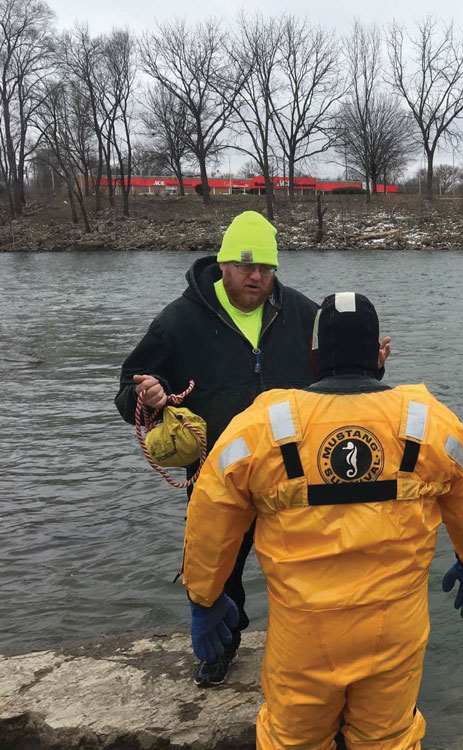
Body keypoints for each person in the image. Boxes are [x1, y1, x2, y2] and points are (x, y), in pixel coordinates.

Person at [182, 292, 463, 750]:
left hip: (302, 634)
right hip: (394, 630)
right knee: (388, 738)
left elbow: (211, 510)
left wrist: (204, 596)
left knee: (293, 741)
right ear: (377, 355)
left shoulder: (263, 425)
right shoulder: (429, 421)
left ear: (314, 357)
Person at [114, 210, 390, 687]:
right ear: (223, 264)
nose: (256, 276)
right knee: (216, 568)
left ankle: (325, 651)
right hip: (218, 475)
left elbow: (337, 381)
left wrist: (369, 369)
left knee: (313, 570)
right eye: (245, 266)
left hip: (296, 477)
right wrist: (148, 396)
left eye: (265, 267)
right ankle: (222, 648)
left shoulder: (304, 314)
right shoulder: (179, 321)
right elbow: (127, 389)